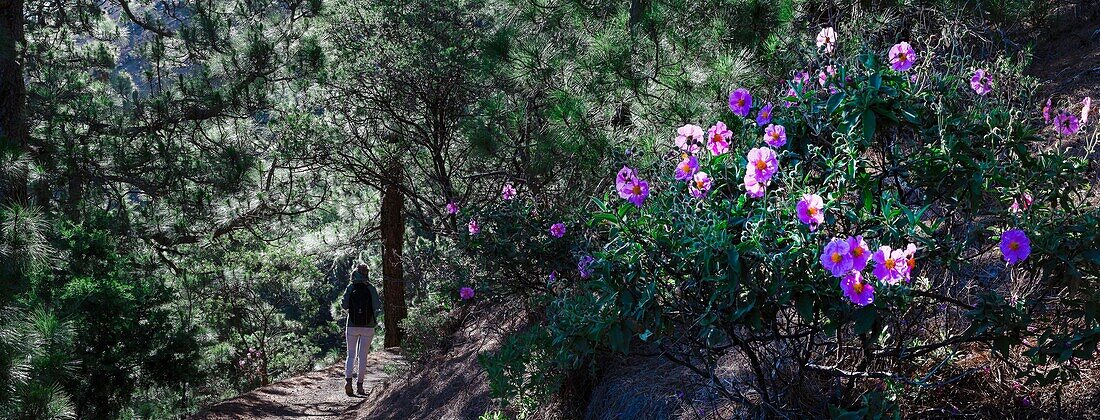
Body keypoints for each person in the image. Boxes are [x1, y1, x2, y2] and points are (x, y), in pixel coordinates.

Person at [340, 263, 382, 396]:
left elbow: (344, 305)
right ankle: (360, 386)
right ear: (367, 273)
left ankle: (348, 382)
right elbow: (377, 306)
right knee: (362, 356)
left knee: (350, 355)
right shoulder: (371, 288)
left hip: (351, 325)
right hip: (368, 326)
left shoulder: (351, 287)